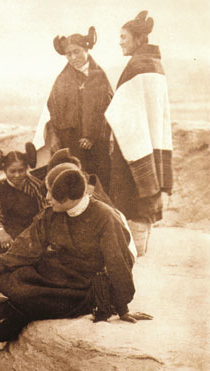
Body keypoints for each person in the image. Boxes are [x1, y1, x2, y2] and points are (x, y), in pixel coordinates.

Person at [0, 165, 151, 353]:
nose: (47, 198)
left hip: (82, 287)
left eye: (53, 196)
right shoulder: (52, 213)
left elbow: (119, 264)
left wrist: (122, 307)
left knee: (24, 293)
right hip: (56, 272)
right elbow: (26, 244)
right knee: (8, 278)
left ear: (71, 199)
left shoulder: (106, 218)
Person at [105, 10, 173, 256]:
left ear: (138, 39)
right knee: (144, 194)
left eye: (124, 37)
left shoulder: (138, 65)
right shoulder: (154, 63)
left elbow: (122, 110)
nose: (120, 41)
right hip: (150, 140)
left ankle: (133, 250)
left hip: (133, 143)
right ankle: (140, 246)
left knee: (129, 193)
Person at [33, 26, 113, 193]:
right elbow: (53, 108)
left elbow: (107, 108)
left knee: (96, 181)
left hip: (97, 142)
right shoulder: (63, 79)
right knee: (73, 179)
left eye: (77, 51)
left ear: (86, 49)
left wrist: (91, 135)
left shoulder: (99, 76)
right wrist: (56, 135)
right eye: (69, 54)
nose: (73, 57)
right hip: (70, 140)